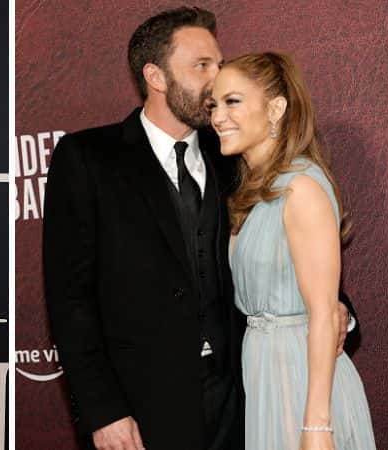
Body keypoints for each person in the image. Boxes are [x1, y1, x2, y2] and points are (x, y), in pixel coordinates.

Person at [42, 7, 356, 450]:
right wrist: (103, 410)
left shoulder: (235, 152)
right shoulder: (89, 158)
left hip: (244, 397)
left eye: (219, 64)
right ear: (155, 75)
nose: (216, 78)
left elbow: (292, 249)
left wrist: (337, 311)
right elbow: (69, 299)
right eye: (201, 65)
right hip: (142, 405)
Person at [210, 51, 376, 450]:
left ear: (276, 108)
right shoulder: (252, 188)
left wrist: (317, 428)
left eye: (233, 101)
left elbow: (322, 313)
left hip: (302, 381)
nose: (217, 116)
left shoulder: (300, 188)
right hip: (267, 376)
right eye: (213, 104)